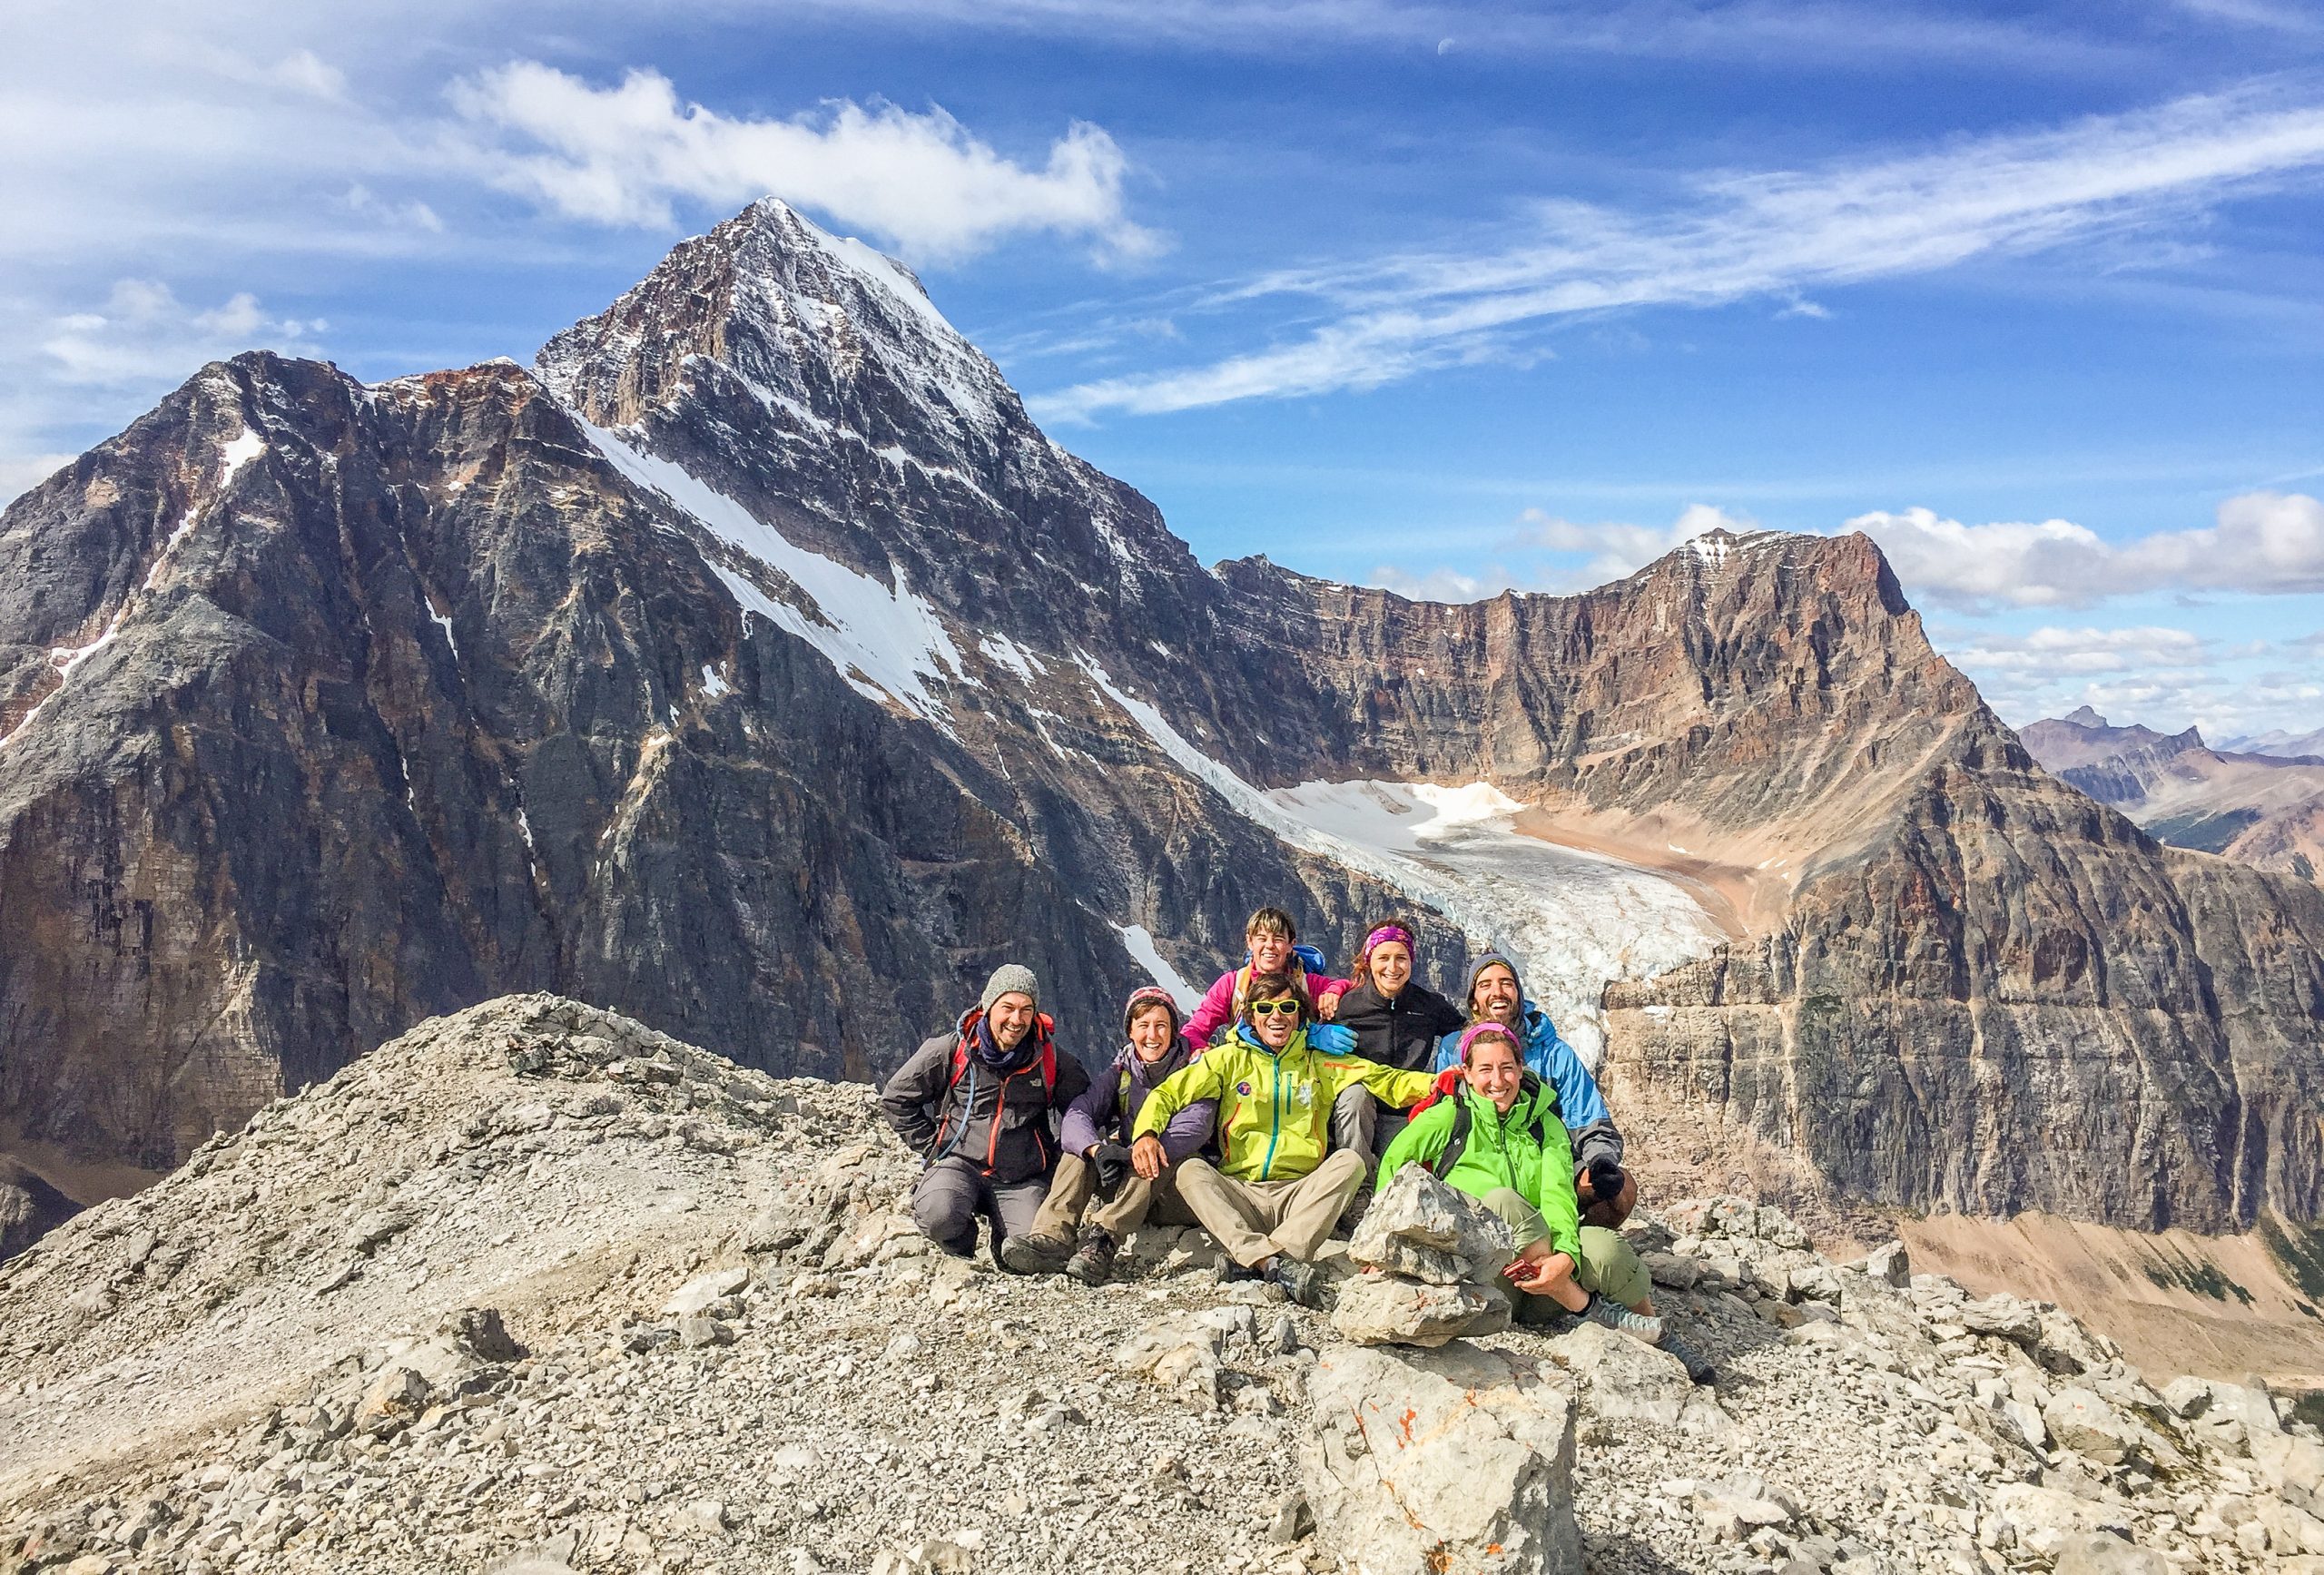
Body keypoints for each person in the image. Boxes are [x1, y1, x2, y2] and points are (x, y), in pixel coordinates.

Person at [1384, 1023, 1715, 1384]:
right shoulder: (1449, 1119)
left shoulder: (1545, 1125)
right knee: (1500, 1200)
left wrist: (1566, 1258)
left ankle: (1657, 1334)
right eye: (1485, 1069)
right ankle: (1586, 1306)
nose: (1498, 1080)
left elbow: (1559, 1195)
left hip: (1545, 1280)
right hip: (1491, 1280)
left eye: (1507, 1067)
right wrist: (1384, 1244)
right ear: (1465, 1073)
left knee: (1607, 1249)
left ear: (1521, 1068)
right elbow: (1393, 1169)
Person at [1132, 970, 1435, 1306]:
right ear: (1251, 1016)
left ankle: (1254, 1259)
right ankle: (1277, 1264)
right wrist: (1146, 1133)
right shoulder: (1227, 1060)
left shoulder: (1320, 1064)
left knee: (1350, 1162)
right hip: (1242, 1191)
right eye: (1264, 1009)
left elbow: (1387, 1081)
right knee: (1191, 1171)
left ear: (1299, 1016)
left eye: (1287, 1007)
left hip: (1300, 1192)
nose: (1276, 1017)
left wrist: (1437, 1084)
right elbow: (1167, 1095)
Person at [999, 986, 1216, 1285]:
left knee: (1157, 1155)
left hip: (1175, 1194)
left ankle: (1103, 1241)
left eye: (1161, 1026)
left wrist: (1132, 1152)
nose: (1152, 1035)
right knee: (1078, 1154)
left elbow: (1196, 1126)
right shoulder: (1122, 1071)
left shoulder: (1198, 1069)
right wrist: (1096, 1151)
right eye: (1143, 1025)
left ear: (1175, 1031)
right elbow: (1078, 1114)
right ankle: (1052, 1237)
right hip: (1131, 1187)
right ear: (1130, 1031)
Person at [878, 964, 1089, 1266]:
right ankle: (960, 1238)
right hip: (959, 1166)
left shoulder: (1052, 1059)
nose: (1017, 1020)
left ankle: (1004, 1246)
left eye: (1026, 1009)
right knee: (939, 1215)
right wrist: (933, 1147)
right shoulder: (951, 1050)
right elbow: (897, 1098)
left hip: (1021, 1178)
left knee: (1031, 1250)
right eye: (1008, 1007)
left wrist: (1055, 1165)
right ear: (988, 1007)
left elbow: (1083, 1113)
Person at [1433, 951, 1634, 1229]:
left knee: (1622, 1189)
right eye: (1485, 985)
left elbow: (1589, 1121)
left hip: (1549, 1166)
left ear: (1518, 993)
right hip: (1479, 1167)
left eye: (1506, 983)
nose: (1497, 992)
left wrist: (1601, 1161)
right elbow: (1440, 1115)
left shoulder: (1555, 1054)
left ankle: (1579, 1244)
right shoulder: (1452, 1050)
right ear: (1473, 1002)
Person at [1328, 918, 1466, 1171]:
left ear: (1411, 961)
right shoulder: (1347, 1006)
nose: (1392, 967)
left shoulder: (1429, 1005)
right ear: (1369, 961)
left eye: (1401, 958)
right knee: (1354, 1095)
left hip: (1410, 1107)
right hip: (1362, 1109)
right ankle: (1356, 1177)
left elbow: (1468, 1032)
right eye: (1383, 958)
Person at [1179, 906, 1349, 1053]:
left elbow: (1355, 988)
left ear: (1291, 944)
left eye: (1278, 939)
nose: (1269, 945)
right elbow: (1194, 1030)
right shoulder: (1232, 985)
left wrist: (1335, 990)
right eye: (1261, 938)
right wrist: (1198, 1049)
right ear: (1250, 942)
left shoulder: (1308, 984)